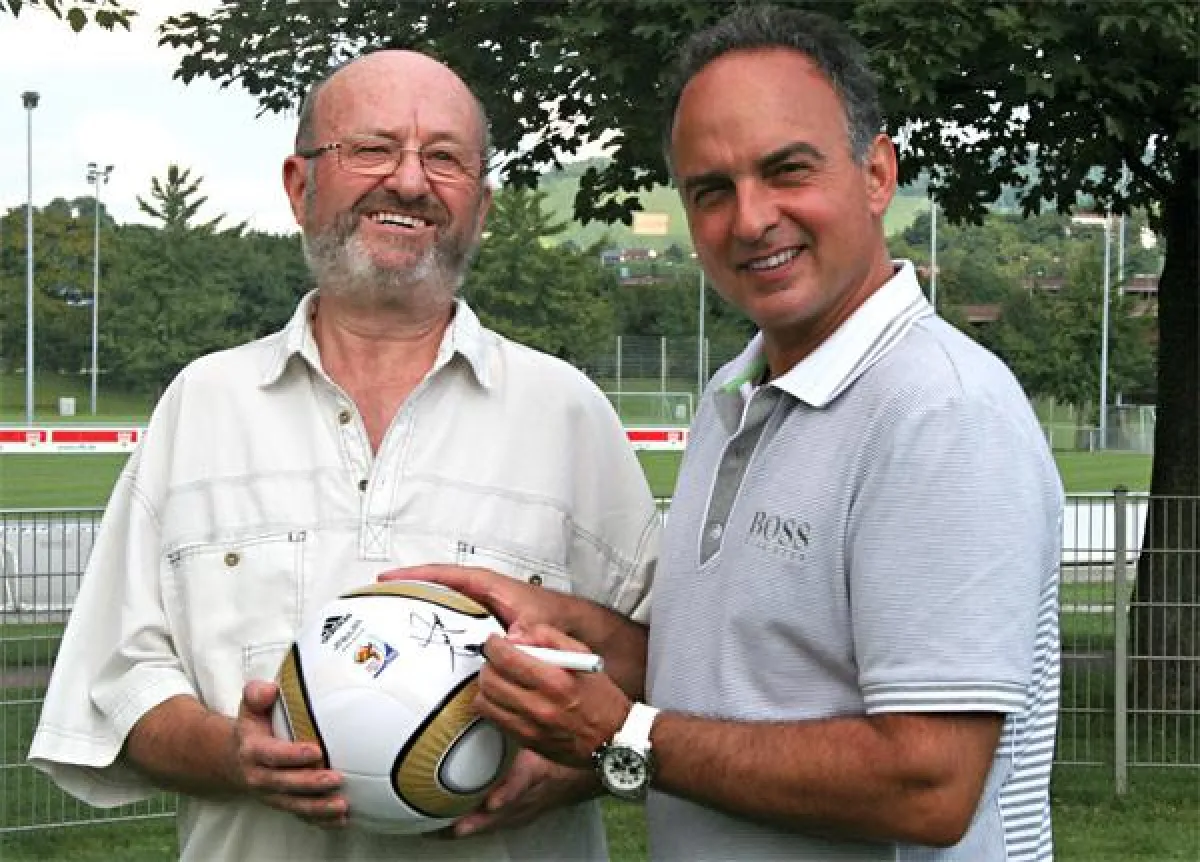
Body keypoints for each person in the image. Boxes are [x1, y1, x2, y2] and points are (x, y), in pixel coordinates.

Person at [399, 7, 1063, 861]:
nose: (750, 220)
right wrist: (579, 630)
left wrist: (622, 737)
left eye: (787, 170)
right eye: (711, 189)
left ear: (876, 172)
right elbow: (741, 675)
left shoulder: (939, 412)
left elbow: (928, 785)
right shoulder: (736, 392)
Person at [28, 50, 659, 862]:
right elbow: (119, 684)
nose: (408, 180)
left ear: (482, 203)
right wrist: (233, 756)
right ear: (299, 186)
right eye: (370, 149)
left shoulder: (569, 412)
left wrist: (575, 767)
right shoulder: (203, 404)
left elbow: (664, 671)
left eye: (445, 158)